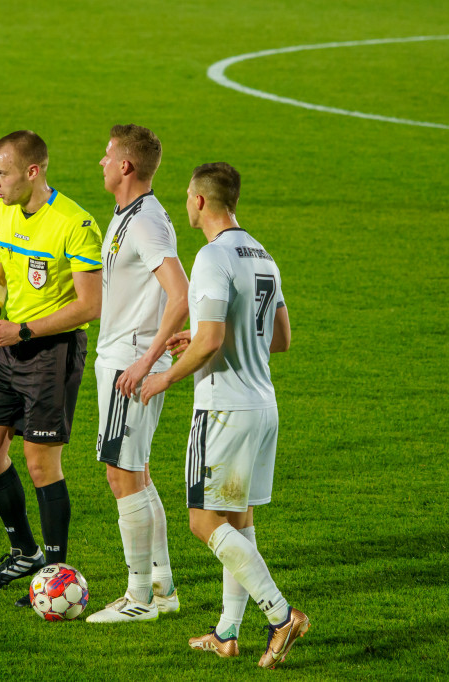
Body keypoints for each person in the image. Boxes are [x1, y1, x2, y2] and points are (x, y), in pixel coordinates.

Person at [141, 163, 308, 668]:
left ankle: (281, 615)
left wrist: (164, 376)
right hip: (263, 406)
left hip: (223, 409)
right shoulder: (262, 255)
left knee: (203, 521)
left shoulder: (212, 257)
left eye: (188, 196)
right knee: (238, 519)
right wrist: (204, 335)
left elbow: (213, 339)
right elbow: (279, 340)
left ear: (199, 202)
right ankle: (227, 632)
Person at [0, 130, 103, 608]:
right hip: (8, 348)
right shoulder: (3, 212)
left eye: (1, 173)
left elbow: (91, 305)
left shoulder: (74, 223)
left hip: (52, 352)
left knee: (40, 463)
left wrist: (23, 330)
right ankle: (24, 551)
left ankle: (55, 572)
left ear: (33, 171)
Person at [83, 125, 189, 624]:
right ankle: (162, 587)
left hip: (131, 364)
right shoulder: (129, 215)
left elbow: (181, 293)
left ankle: (138, 598)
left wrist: (145, 360)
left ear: (126, 166)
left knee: (120, 474)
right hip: (122, 358)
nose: (101, 163)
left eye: (107, 156)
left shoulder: (146, 223)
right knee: (137, 474)